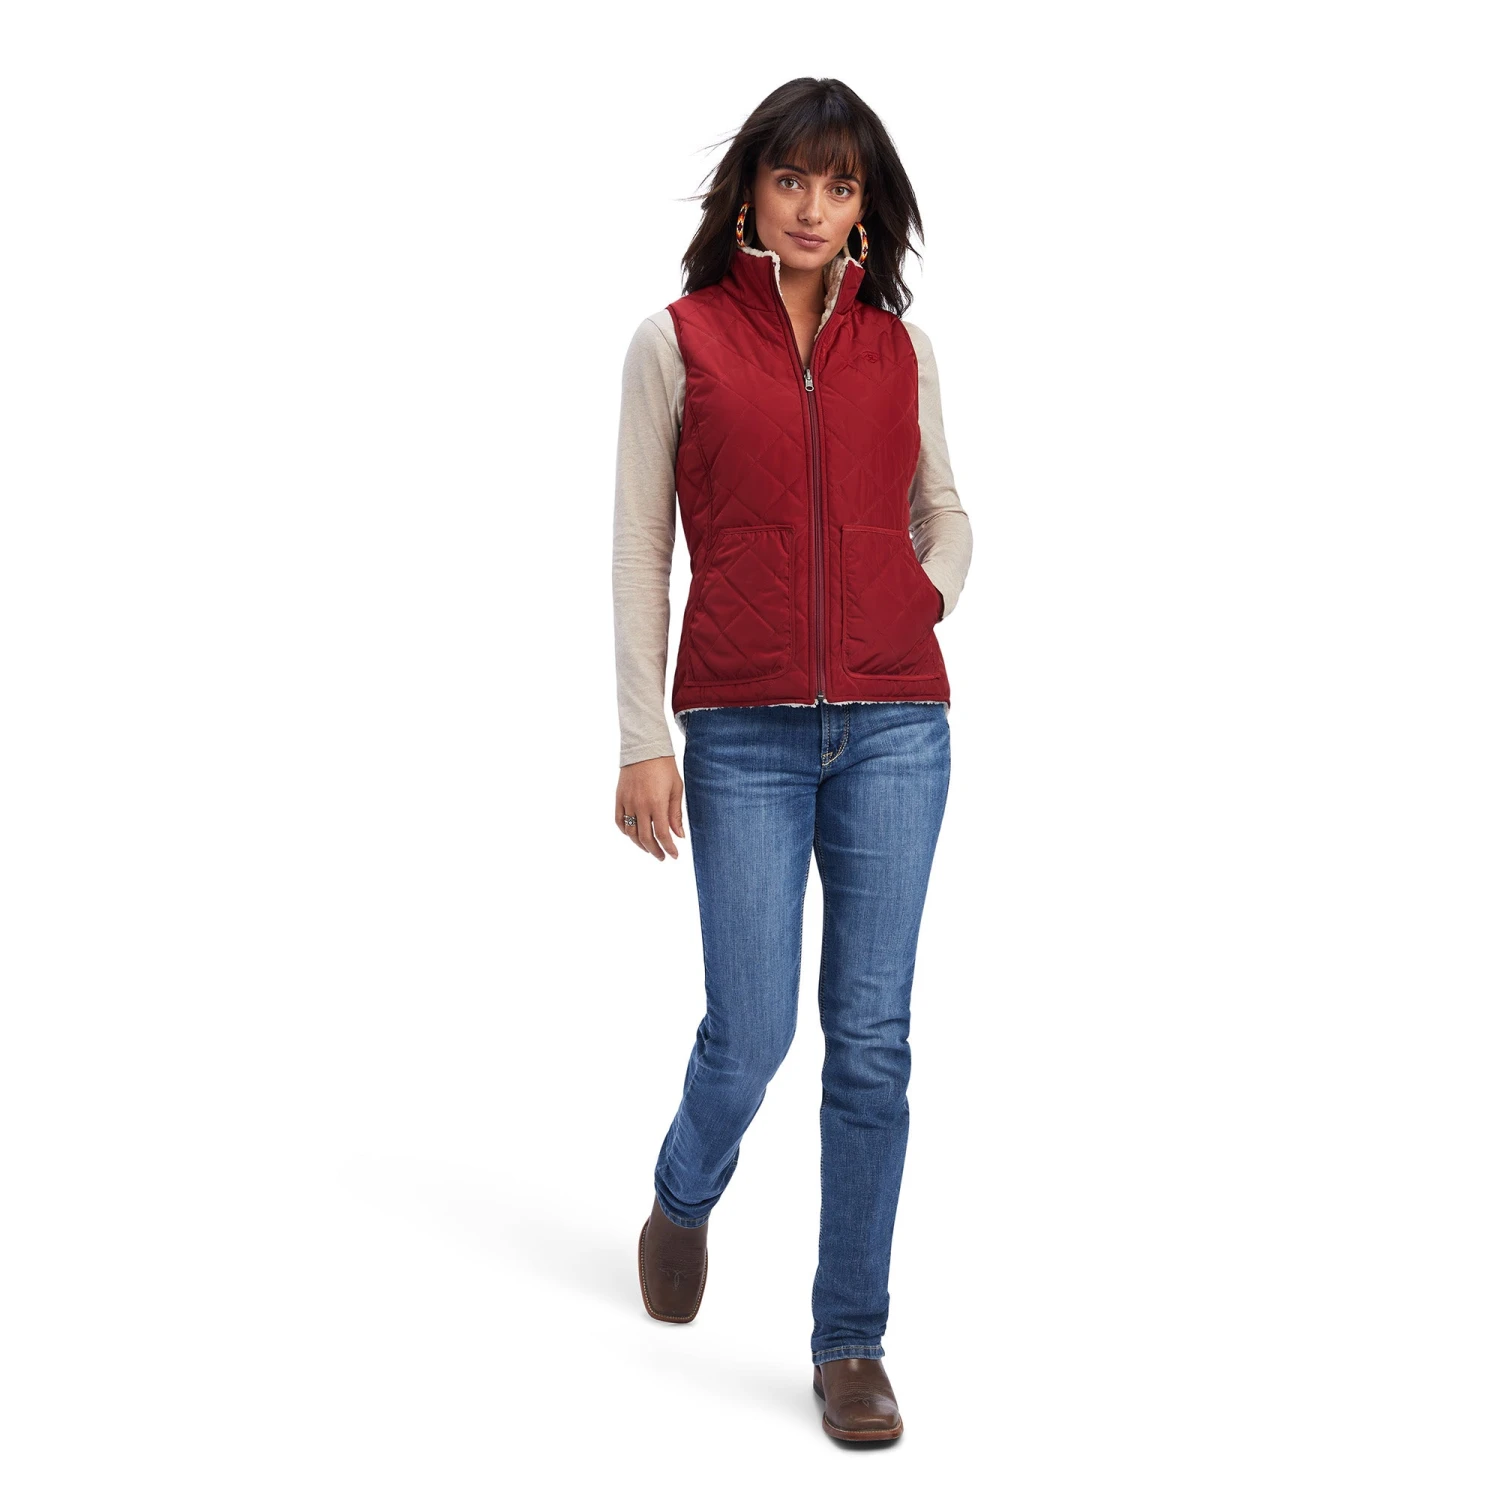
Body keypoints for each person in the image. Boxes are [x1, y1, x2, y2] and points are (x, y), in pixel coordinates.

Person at [611, 76, 973, 1445]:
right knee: (752, 1028)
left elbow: (947, 513)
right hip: (742, 733)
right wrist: (644, 738)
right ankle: (684, 1190)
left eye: (840, 184)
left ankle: (850, 1344)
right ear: (750, 194)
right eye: (791, 180)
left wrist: (920, 598)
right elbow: (640, 546)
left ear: (864, 205)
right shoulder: (679, 342)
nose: (813, 208)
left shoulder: (901, 350)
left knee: (871, 1043)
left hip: (897, 728)